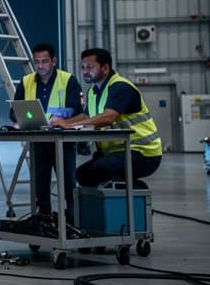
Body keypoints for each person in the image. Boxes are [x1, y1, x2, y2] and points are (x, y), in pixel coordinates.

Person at [49, 48, 162, 186]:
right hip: (118, 151)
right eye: (83, 67)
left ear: (105, 68)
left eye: (90, 67)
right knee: (82, 175)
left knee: (99, 169)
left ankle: (132, 194)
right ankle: (103, 204)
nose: (85, 71)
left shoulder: (120, 87)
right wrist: (60, 122)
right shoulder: (93, 91)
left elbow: (108, 118)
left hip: (142, 153)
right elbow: (86, 116)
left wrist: (69, 126)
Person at [10, 43, 84, 222]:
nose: (40, 66)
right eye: (37, 62)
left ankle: (73, 222)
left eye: (44, 61)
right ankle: (44, 221)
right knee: (40, 187)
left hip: (63, 141)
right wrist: (20, 121)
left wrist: (61, 120)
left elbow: (77, 110)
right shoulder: (26, 81)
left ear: (54, 61)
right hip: (39, 141)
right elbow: (13, 111)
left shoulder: (68, 80)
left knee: (68, 186)